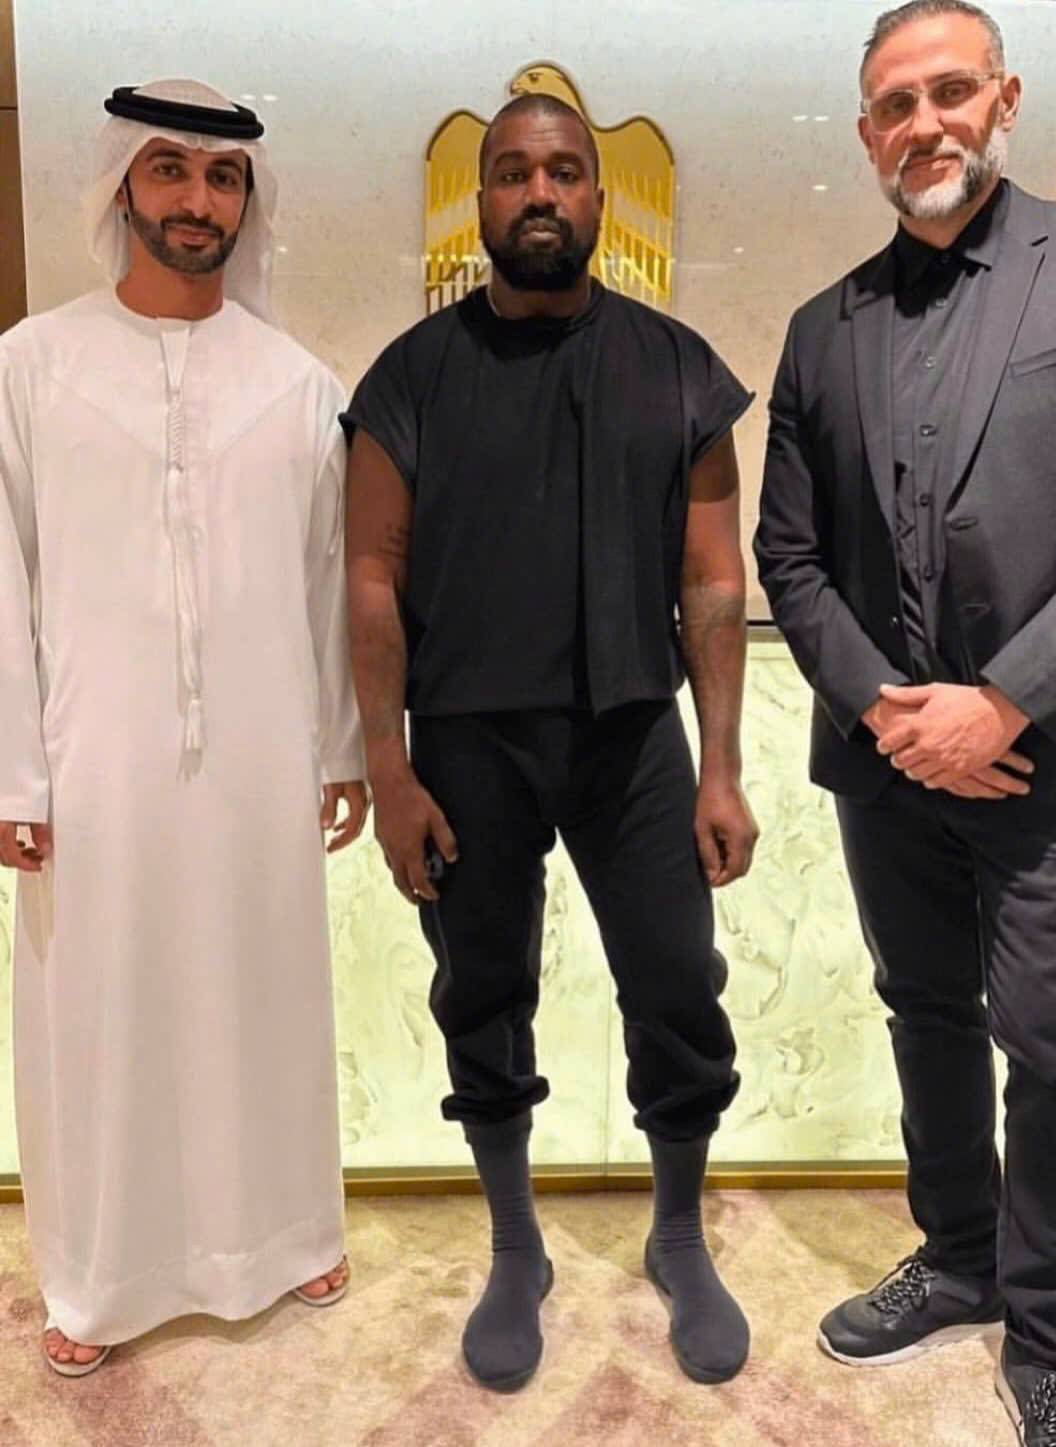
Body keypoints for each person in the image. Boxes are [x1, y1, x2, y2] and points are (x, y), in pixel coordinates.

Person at [755, 3, 1056, 1443]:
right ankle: (956, 1259)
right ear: (865, 133)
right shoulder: (821, 330)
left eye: (950, 92)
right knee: (924, 1014)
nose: (923, 124)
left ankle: (1052, 1340)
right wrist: (895, 714)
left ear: (1003, 100)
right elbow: (790, 559)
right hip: (893, 769)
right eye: (895, 104)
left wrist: (1000, 705)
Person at [344, 92, 758, 1391]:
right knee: (480, 991)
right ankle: (516, 1249)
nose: (540, 192)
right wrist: (389, 769)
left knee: (678, 985)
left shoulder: (678, 367)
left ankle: (678, 1235)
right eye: (514, 172)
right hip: (466, 744)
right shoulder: (407, 379)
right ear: (478, 200)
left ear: (598, 197)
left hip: (634, 736)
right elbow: (369, 577)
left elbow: (712, 577)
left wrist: (722, 766)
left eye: (565, 171)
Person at [0, 79, 367, 1375]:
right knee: (97, 1012)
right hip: (91, 760)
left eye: (221, 177)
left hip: (262, 757)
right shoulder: (28, 367)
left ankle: (288, 1230)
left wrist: (340, 747)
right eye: (168, 169)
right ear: (122, 186)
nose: (196, 199)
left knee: (266, 987)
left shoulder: (301, 386)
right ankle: (97, 1279)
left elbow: (327, 585)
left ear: (246, 203)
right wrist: (14, 771)